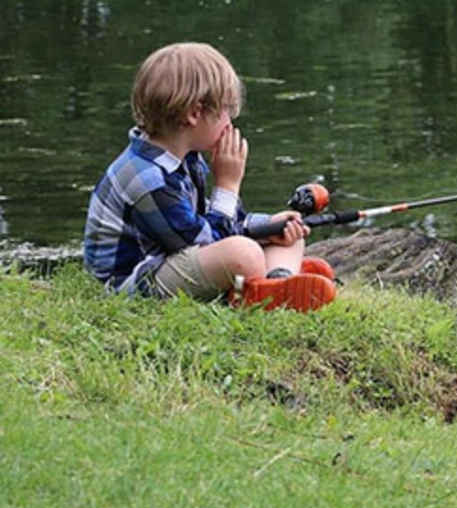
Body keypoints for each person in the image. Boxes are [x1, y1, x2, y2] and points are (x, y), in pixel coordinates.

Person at [83, 42, 337, 312]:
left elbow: (215, 222)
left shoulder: (183, 157)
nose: (230, 122)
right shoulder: (147, 179)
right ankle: (266, 282)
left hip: (177, 254)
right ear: (194, 113)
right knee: (243, 253)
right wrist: (228, 185)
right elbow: (205, 243)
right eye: (226, 110)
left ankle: (278, 280)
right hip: (134, 283)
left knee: (287, 229)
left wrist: (270, 226)